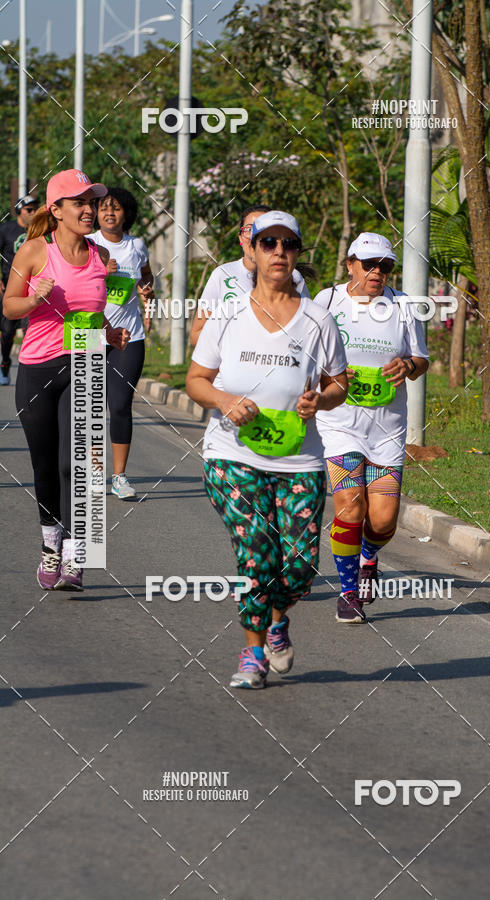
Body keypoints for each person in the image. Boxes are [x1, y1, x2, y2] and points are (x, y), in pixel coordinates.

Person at [186, 210, 348, 689]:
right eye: (269, 243)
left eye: (288, 244)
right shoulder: (229, 316)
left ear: (297, 254)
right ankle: (253, 653)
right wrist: (225, 401)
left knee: (297, 568)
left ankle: (279, 621)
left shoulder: (319, 320)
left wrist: (321, 399)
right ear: (252, 252)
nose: (279, 252)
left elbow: (339, 382)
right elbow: (197, 380)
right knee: (257, 555)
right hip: (232, 456)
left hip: (300, 459)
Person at [3, 169, 129, 592]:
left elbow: (93, 311)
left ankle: (77, 557)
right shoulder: (35, 251)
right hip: (38, 369)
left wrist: (109, 332)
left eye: (91, 202)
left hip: (87, 367)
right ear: (56, 210)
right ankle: (51, 545)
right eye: (79, 203)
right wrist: (36, 296)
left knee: (75, 464)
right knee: (44, 465)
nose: (89, 210)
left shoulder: (99, 257)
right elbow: (9, 307)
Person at [313, 232, 429, 624]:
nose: (378, 272)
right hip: (339, 423)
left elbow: (420, 358)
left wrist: (409, 366)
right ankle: (348, 592)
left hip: (388, 429)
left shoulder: (403, 307)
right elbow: (307, 354)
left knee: (382, 521)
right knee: (351, 506)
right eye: (370, 264)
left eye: (386, 266)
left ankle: (368, 557)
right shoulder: (326, 302)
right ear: (350, 264)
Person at [91, 187, 153, 500]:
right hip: (90, 332)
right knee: (89, 405)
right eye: (103, 208)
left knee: (119, 405)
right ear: (95, 213)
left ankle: (119, 477)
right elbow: (73, 284)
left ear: (126, 213)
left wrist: (147, 296)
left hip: (129, 335)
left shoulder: (137, 245)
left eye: (116, 208)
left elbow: (147, 277)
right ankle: (93, 472)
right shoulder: (87, 244)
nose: (110, 213)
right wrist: (100, 272)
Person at [189, 204, 311, 348]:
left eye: (263, 232)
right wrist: (238, 347)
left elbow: (307, 332)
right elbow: (196, 335)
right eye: (249, 229)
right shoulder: (222, 275)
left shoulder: (294, 277)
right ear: (241, 237)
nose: (254, 235)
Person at [0, 194, 39, 384]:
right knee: (7, 332)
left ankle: (29, 371)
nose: (33, 213)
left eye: (35, 209)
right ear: (19, 211)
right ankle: (5, 363)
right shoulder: (6, 230)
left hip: (33, 291)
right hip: (10, 289)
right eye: (28, 210)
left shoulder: (40, 230)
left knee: (29, 330)